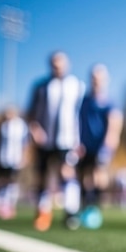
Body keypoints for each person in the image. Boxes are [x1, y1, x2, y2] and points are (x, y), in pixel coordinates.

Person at [26, 51, 85, 231]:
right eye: (54, 64)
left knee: (67, 173)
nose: (57, 68)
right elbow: (30, 113)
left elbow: (81, 114)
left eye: (61, 64)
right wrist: (35, 130)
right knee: (42, 176)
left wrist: (80, 140)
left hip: (67, 140)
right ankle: (43, 212)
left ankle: (71, 213)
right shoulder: (41, 87)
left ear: (67, 64)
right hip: (45, 140)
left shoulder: (77, 86)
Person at [76, 63, 123, 227]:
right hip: (83, 147)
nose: (97, 81)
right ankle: (82, 208)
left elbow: (114, 125)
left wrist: (108, 146)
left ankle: (94, 209)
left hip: (101, 147)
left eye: (100, 78)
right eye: (94, 78)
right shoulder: (84, 101)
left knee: (98, 175)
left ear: (106, 80)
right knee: (82, 177)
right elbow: (77, 122)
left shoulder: (110, 102)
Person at [0, 105, 29, 219]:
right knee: (1, 181)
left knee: (12, 182)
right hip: (2, 158)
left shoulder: (21, 125)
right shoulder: (2, 126)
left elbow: (25, 143)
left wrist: (24, 157)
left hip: (15, 159)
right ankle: (0, 204)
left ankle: (11, 205)